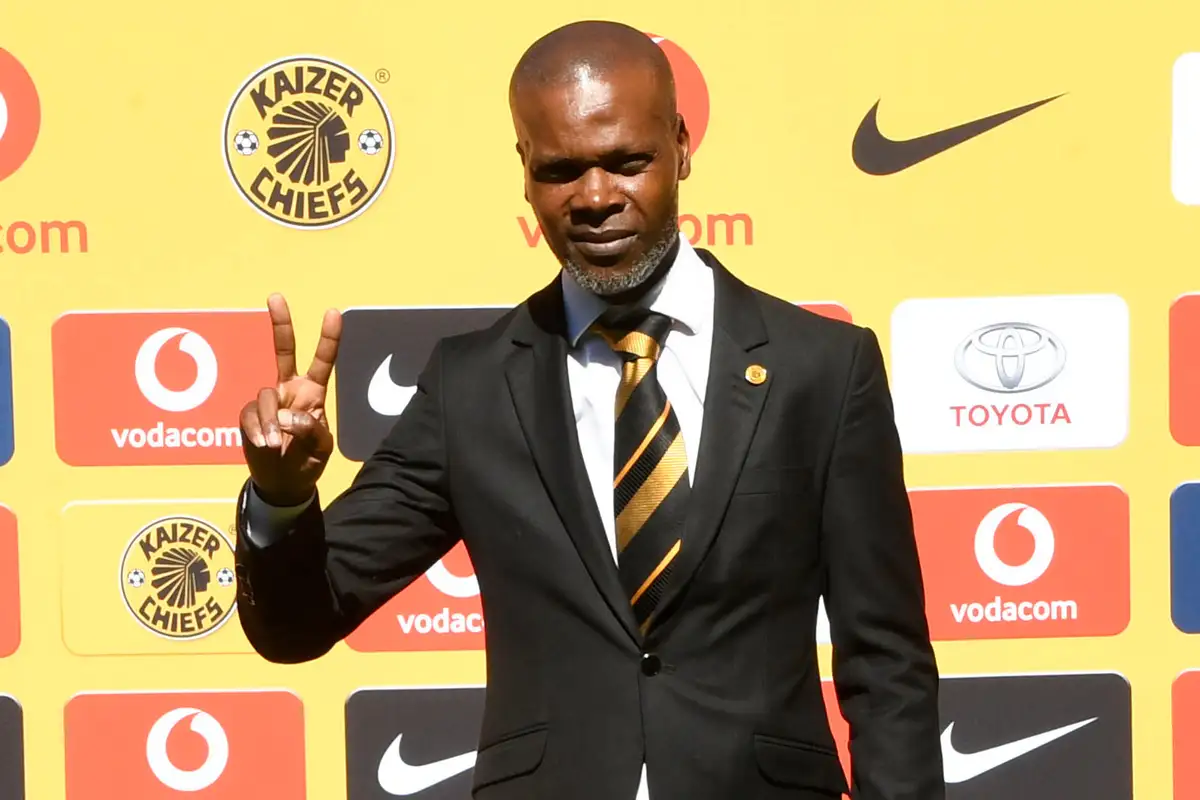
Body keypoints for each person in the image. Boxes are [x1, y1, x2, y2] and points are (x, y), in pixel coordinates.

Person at [232, 19, 943, 800]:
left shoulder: (823, 369)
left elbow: (887, 663)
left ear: (681, 146)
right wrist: (282, 499)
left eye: (627, 162)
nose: (596, 198)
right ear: (524, 170)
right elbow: (296, 625)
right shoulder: (470, 387)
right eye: (561, 170)